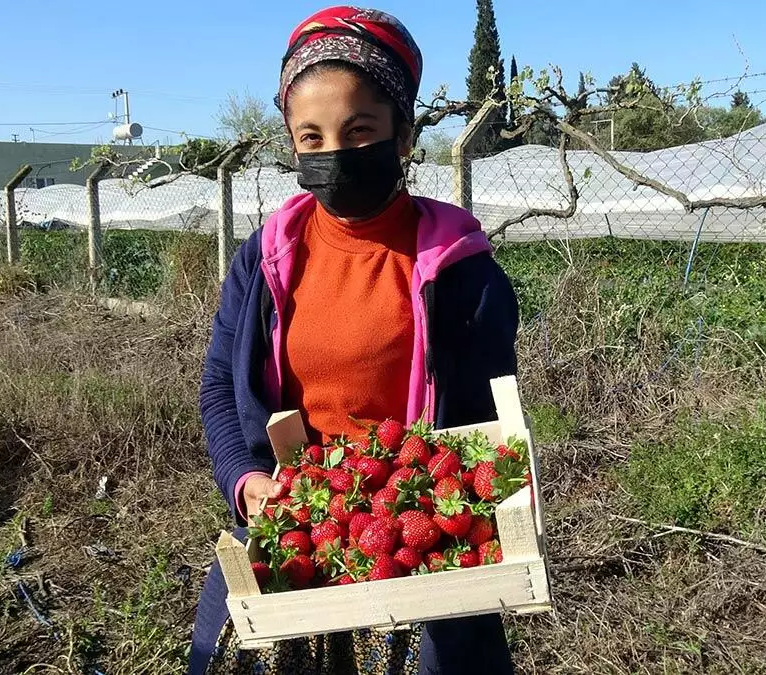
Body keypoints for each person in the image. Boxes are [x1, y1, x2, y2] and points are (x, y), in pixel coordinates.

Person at [191, 6, 520, 674]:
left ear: (402, 134)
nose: (333, 153)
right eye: (309, 137)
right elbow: (221, 386)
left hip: (418, 528)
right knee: (223, 647)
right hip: (299, 518)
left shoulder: (462, 272)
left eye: (358, 129)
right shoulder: (265, 260)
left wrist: (495, 511)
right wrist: (247, 480)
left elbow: (493, 427)